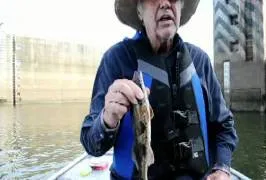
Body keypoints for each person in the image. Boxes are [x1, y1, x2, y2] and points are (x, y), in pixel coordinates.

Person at [80, 0, 238, 179]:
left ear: (181, 7)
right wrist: (107, 119)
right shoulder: (116, 59)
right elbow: (91, 144)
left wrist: (222, 168)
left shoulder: (200, 61)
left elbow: (225, 126)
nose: (165, 3)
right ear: (139, 11)